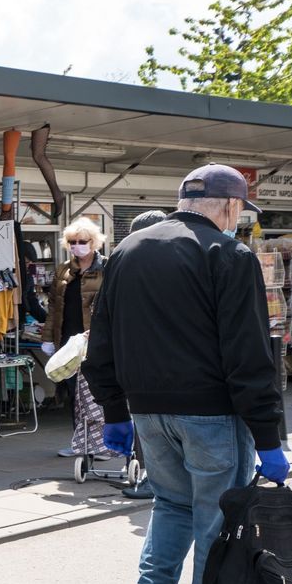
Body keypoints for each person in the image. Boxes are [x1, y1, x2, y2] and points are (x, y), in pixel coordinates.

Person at [84, 164, 288, 584]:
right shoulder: (229, 254)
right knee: (219, 528)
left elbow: (100, 339)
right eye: (241, 210)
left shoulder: (129, 251)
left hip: (148, 412)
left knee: (171, 506)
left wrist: (113, 411)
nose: (239, 220)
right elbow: (248, 354)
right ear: (226, 204)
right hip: (213, 414)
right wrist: (268, 435)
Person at [42, 217, 109, 459]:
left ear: (94, 242)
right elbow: (53, 307)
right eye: (72, 242)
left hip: (96, 340)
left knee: (98, 392)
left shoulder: (107, 268)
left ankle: (102, 444)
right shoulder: (63, 270)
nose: (76, 246)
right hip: (69, 341)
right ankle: (80, 442)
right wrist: (49, 338)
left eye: (82, 241)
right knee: (74, 393)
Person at [118, 210, 168, 501]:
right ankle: (152, 476)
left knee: (149, 425)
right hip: (155, 362)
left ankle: (154, 479)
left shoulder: (126, 264)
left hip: (145, 362)